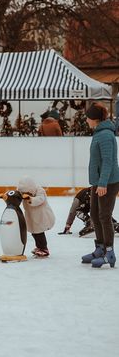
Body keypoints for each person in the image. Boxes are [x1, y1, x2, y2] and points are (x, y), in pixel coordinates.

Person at [81, 103, 119, 268]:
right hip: (98, 182)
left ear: (94, 119)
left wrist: (103, 183)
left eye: (87, 117)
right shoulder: (99, 133)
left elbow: (108, 161)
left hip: (108, 183)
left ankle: (109, 253)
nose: (86, 120)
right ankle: (100, 248)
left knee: (104, 216)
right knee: (94, 214)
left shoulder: (104, 135)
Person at [17, 176, 55, 257]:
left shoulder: (40, 191)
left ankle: (44, 249)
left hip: (41, 216)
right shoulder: (23, 193)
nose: (25, 194)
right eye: (23, 193)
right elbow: (17, 196)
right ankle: (39, 247)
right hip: (31, 217)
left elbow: (40, 200)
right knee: (34, 233)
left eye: (27, 192)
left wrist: (30, 199)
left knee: (40, 233)